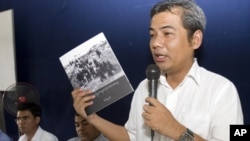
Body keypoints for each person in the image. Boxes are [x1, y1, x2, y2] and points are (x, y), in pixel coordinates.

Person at [71, 0, 244, 141]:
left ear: (195, 39)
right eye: (152, 35)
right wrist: (92, 118)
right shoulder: (144, 87)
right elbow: (131, 137)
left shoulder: (222, 90)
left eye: (167, 33)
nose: (156, 43)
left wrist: (176, 130)